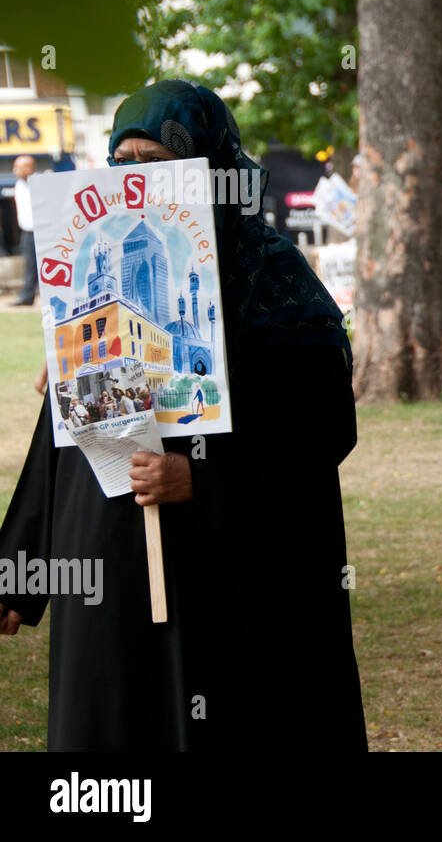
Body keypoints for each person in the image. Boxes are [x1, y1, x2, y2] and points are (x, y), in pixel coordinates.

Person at [0, 79, 366, 751]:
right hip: (108, 556)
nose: (138, 182)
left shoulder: (271, 276)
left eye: (160, 165)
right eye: (125, 165)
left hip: (230, 567)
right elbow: (65, 432)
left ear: (211, 171)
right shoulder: (95, 270)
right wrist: (18, 566)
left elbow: (321, 426)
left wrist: (206, 477)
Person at [10, 154, 36, 306]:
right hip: (26, 232)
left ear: (28, 169)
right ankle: (27, 296)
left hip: (40, 231)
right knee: (29, 265)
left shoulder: (40, 184)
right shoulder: (19, 184)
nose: (14, 170)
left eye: (17, 167)